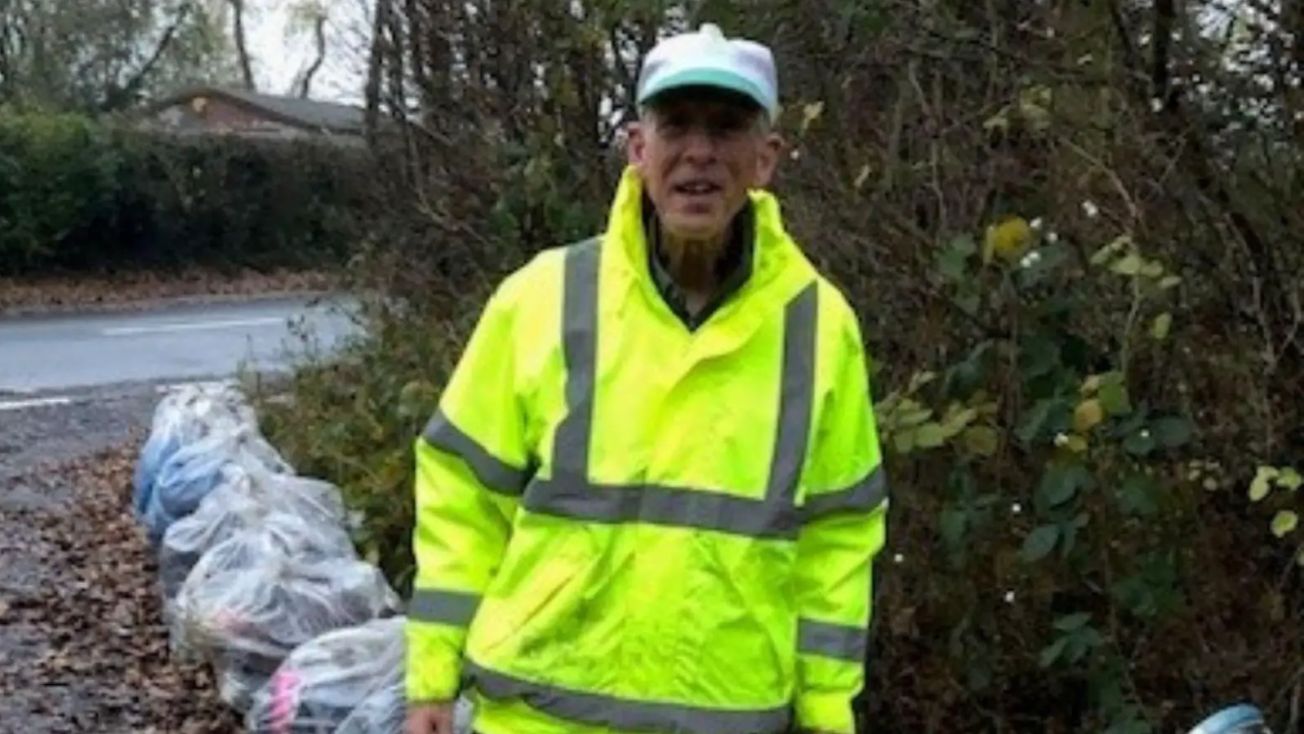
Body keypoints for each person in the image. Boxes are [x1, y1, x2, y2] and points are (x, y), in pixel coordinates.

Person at [405, 22, 888, 734]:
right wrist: (430, 680)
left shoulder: (819, 326)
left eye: (726, 129)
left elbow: (838, 535)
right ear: (638, 149)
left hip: (724, 714)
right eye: (676, 126)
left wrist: (825, 711)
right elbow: (463, 496)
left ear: (766, 159)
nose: (699, 152)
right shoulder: (542, 298)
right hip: (539, 716)